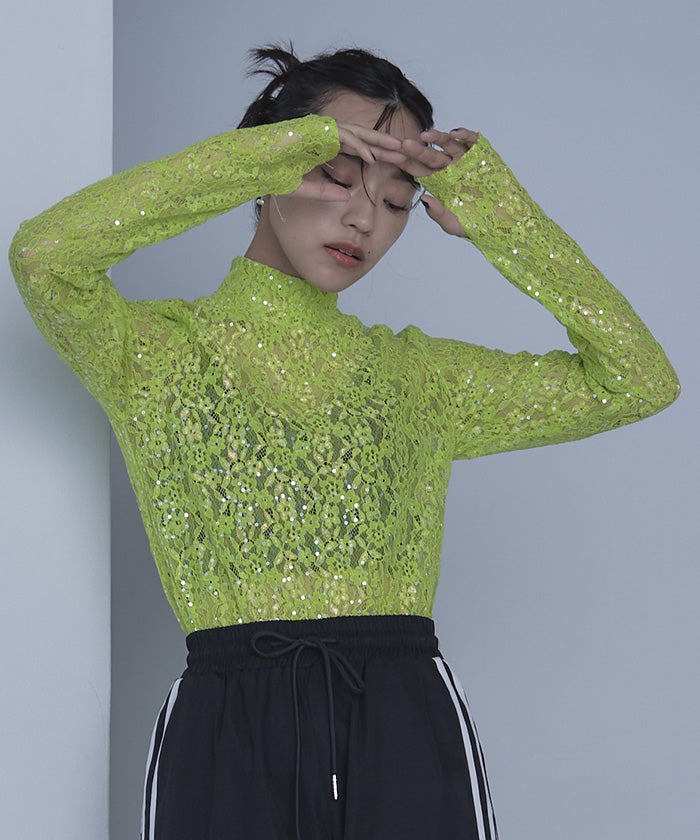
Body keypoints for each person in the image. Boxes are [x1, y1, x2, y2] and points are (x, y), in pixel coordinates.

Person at [9, 43, 679, 840]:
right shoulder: (154, 354)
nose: (365, 218)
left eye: (397, 201)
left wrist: (505, 222)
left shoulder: (419, 379)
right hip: (227, 729)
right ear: (267, 166)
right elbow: (44, 257)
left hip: (404, 724)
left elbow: (638, 381)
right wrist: (278, 149)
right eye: (335, 175)